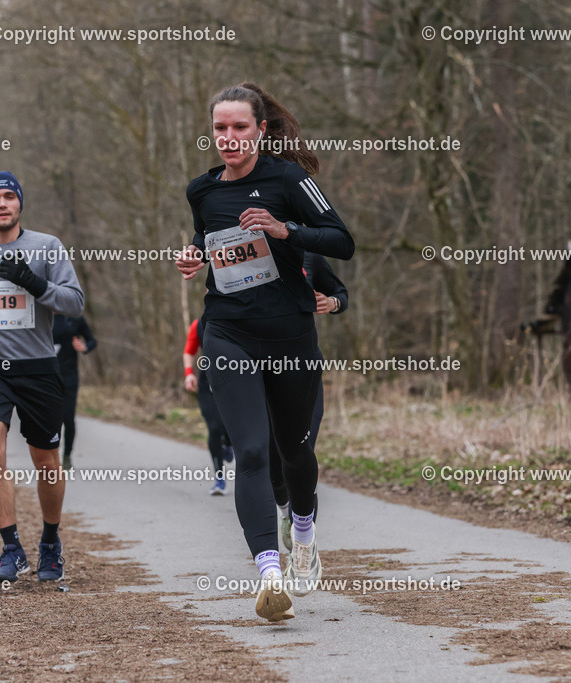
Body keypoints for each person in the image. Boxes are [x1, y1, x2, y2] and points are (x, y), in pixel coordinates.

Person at [175, 82, 354, 621]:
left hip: (290, 336)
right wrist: (194, 259)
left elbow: (340, 241)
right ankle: (269, 574)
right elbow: (211, 245)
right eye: (220, 129)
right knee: (250, 451)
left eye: (240, 128)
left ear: (261, 130)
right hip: (227, 331)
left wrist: (284, 229)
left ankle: (303, 528)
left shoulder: (287, 178)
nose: (229, 138)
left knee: (295, 454)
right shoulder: (202, 192)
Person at [0, 171, 84, 582]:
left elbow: (74, 302)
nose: (3, 204)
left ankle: (50, 541)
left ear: (20, 204)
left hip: (38, 368)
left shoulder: (46, 246)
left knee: (45, 460)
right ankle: (11, 548)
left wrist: (33, 281)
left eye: (10, 196)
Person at [271, 252, 349, 554]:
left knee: (299, 455)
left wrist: (332, 303)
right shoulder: (247, 252)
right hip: (263, 374)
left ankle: (304, 548)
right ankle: (283, 509)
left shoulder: (309, 256)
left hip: (303, 371)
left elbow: (340, 294)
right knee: (274, 470)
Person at [183, 314, 234, 495]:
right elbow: (189, 351)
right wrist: (189, 373)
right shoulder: (198, 324)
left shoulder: (235, 318)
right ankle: (219, 479)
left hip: (233, 381)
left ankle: (229, 443)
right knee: (214, 428)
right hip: (207, 384)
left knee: (229, 425)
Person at [51, 315, 97, 471]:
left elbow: (92, 341)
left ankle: (67, 456)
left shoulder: (75, 319)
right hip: (48, 376)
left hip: (69, 376)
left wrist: (84, 347)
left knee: (68, 418)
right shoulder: (42, 315)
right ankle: (53, 456)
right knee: (52, 419)